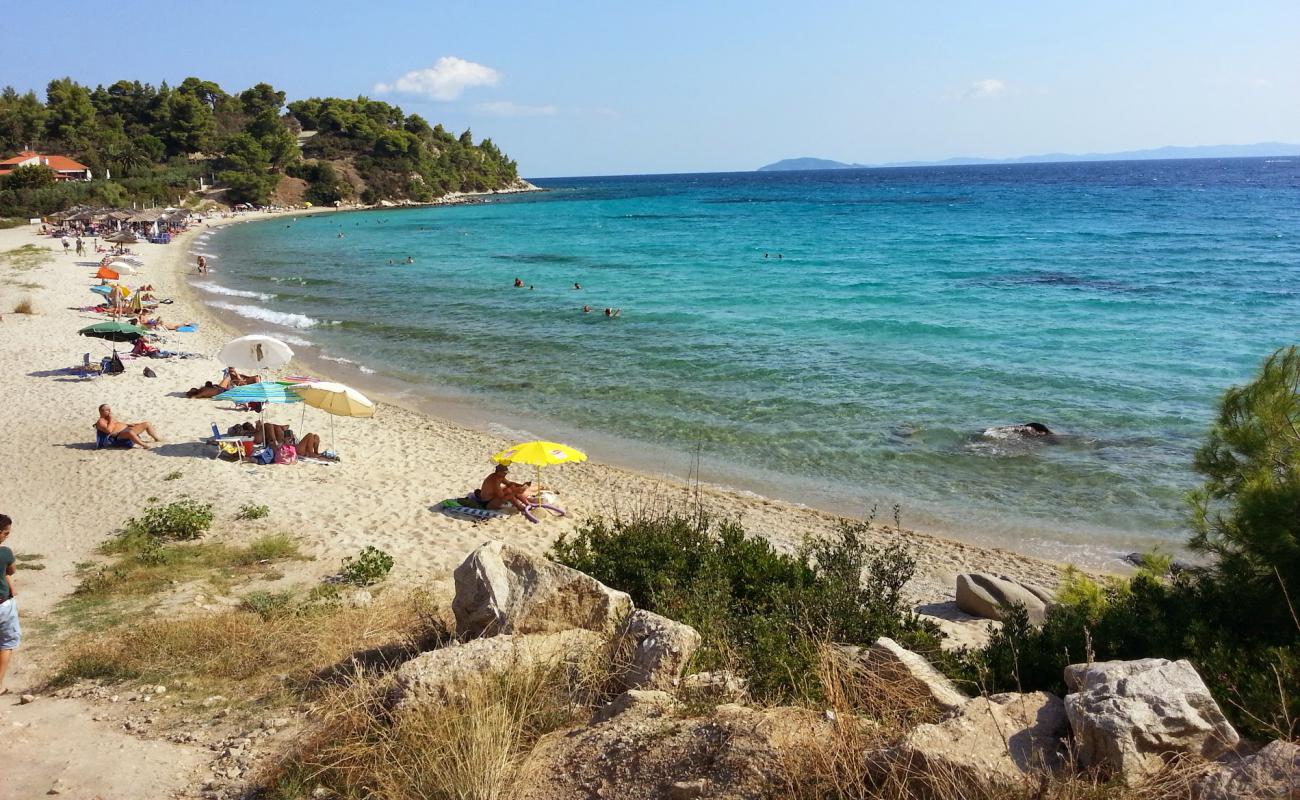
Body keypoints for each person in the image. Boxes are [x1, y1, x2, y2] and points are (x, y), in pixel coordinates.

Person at [0, 513, 18, 695]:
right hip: (2, 604)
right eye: (5, 533)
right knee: (6, 643)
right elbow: (11, 570)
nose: (8, 535)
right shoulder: (4, 553)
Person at [96, 404, 163, 449]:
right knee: (130, 432)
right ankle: (144, 445)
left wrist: (128, 424)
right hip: (118, 435)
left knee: (147, 424)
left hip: (126, 429)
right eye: (107, 410)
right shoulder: (100, 422)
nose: (110, 411)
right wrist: (110, 419)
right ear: (101, 411)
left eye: (110, 409)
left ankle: (156, 438)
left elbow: (117, 424)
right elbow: (109, 430)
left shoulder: (110, 418)